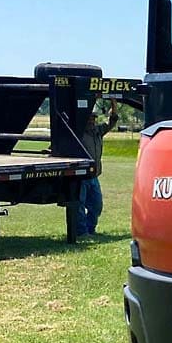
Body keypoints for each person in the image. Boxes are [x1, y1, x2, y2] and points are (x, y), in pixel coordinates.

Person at [77, 99, 118, 239]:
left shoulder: (98, 131)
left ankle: (90, 229)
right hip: (80, 177)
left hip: (94, 176)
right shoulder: (78, 133)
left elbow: (112, 120)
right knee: (79, 206)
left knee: (96, 205)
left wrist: (113, 103)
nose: (92, 121)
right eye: (90, 118)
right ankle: (81, 232)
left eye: (94, 118)